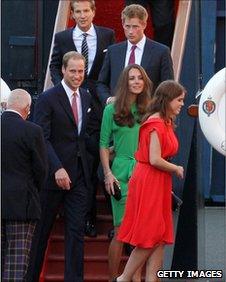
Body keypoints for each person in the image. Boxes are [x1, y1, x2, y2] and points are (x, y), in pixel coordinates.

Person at [50, 0, 115, 236]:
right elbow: (55, 66)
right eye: (77, 11)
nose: (82, 15)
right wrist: (66, 93)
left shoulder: (108, 35)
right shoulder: (63, 37)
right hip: (71, 109)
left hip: (97, 109)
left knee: (95, 166)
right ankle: (87, 218)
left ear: (94, 12)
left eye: (86, 10)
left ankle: (107, 221)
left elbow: (107, 70)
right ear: (72, 14)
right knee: (81, 167)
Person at [29, 51, 92, 282]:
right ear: (63, 70)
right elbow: (41, 138)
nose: (77, 75)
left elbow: (81, 137)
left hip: (79, 177)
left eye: (81, 71)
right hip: (52, 178)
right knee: (41, 233)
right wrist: (57, 168)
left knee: (76, 234)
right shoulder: (47, 98)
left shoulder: (85, 96)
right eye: (73, 71)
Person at [115, 80, 186, 282]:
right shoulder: (155, 123)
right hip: (149, 181)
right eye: (179, 100)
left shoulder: (166, 121)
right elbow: (154, 159)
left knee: (160, 236)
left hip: (159, 181)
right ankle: (124, 278)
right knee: (149, 235)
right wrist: (176, 168)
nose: (182, 104)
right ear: (168, 99)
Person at [99, 64, 153, 281]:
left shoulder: (150, 109)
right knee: (120, 230)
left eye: (140, 78)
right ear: (125, 81)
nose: (136, 82)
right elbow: (103, 144)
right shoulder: (110, 109)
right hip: (120, 172)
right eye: (132, 78)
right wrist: (107, 174)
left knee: (142, 233)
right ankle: (114, 278)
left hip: (144, 171)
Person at [1, 89, 47, 281]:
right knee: (16, 263)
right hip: (23, 204)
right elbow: (41, 171)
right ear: (27, 108)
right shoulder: (32, 131)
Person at [97, 4, 174, 107]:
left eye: (135, 27)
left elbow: (168, 85)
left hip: (147, 113)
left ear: (144, 25)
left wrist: (154, 106)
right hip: (118, 112)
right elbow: (101, 83)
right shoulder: (113, 51)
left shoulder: (161, 51)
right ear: (123, 24)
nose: (130, 31)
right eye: (127, 26)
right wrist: (109, 99)